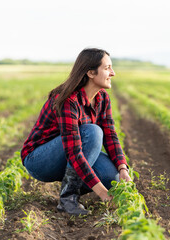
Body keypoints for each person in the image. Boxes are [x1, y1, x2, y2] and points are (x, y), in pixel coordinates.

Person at [20, 48, 132, 216]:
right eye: (107, 68)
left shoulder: (102, 98)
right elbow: (73, 152)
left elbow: (110, 135)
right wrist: (103, 194)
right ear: (91, 73)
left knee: (112, 176)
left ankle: (71, 185)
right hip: (39, 160)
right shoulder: (67, 100)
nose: (113, 73)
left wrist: (123, 168)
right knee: (92, 132)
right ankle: (67, 198)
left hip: (67, 155)